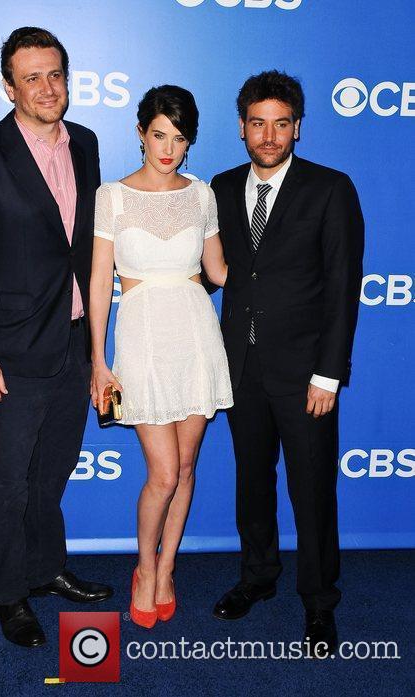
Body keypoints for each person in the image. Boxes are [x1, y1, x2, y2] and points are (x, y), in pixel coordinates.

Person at [0, 27, 113, 649]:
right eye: (31, 76)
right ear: (8, 86)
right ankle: (9, 593)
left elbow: (88, 248)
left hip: (71, 340)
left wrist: (96, 350)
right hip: (8, 351)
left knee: (55, 468)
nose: (46, 87)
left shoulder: (87, 144)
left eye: (55, 74)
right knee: (8, 478)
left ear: (68, 78)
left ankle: (48, 567)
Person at [211, 70, 364, 657]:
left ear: (297, 127)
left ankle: (320, 604)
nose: (269, 135)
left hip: (306, 377)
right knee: (252, 484)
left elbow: (342, 288)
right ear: (243, 128)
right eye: (257, 123)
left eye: (280, 123)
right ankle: (258, 576)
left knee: (312, 490)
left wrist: (328, 375)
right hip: (240, 369)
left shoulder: (331, 189)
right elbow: (217, 270)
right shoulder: (222, 188)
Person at [90, 85, 233, 628]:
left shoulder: (202, 195)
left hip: (196, 333)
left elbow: (219, 272)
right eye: (159, 135)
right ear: (140, 133)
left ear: (190, 141)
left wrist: (285, 267)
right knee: (163, 473)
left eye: (179, 138)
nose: (168, 148)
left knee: (188, 466)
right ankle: (143, 568)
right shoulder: (113, 196)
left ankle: (167, 568)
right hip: (142, 336)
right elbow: (101, 281)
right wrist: (99, 361)